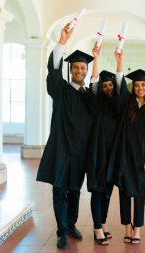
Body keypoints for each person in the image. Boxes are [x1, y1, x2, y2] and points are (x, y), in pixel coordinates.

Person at [36, 23, 94, 250]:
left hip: (80, 151)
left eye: (83, 68)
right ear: (71, 70)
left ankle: (71, 224)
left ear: (87, 71)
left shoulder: (89, 96)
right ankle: (61, 231)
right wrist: (62, 41)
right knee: (59, 189)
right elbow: (53, 70)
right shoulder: (60, 90)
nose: (80, 71)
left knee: (75, 189)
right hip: (61, 149)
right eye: (76, 67)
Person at [86, 43, 127, 245]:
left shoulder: (119, 106)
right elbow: (93, 83)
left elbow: (122, 87)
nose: (109, 88)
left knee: (108, 190)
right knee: (97, 189)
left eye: (111, 85)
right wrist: (96, 59)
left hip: (113, 154)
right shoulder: (96, 104)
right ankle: (96, 227)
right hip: (97, 153)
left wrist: (119, 62)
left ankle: (102, 223)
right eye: (105, 86)